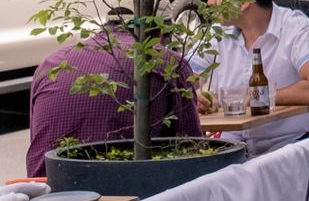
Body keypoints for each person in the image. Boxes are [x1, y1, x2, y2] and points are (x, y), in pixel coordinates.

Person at [26, 12, 202, 176]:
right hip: (120, 187)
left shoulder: (52, 62)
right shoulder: (167, 61)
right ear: (159, 32)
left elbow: (38, 138)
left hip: (45, 188)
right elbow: (190, 148)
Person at [189, 0, 309, 154]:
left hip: (293, 147)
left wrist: (251, 98)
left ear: (243, 1)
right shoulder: (217, 33)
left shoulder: (296, 29)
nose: (209, 2)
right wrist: (195, 95)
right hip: (233, 146)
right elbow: (182, 80)